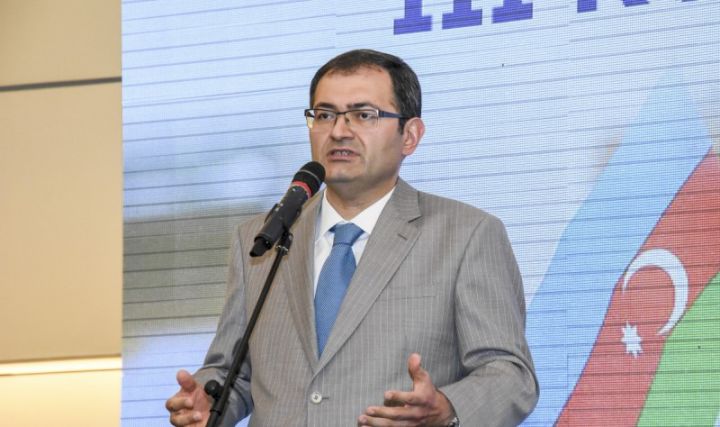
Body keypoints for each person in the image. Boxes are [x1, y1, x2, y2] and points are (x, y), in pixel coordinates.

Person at [166, 49, 539, 427]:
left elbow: (510, 376)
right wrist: (205, 401)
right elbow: (234, 374)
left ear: (409, 135)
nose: (339, 131)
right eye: (324, 115)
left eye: (363, 115)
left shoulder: (467, 235)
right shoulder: (263, 237)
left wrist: (447, 408)